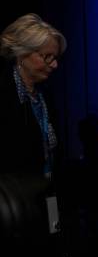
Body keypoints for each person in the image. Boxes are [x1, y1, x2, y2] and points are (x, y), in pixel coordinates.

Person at [0, 14, 66, 178]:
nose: (55, 64)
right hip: (14, 197)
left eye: (56, 57)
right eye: (47, 57)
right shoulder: (4, 95)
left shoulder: (46, 95)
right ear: (22, 54)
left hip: (45, 192)